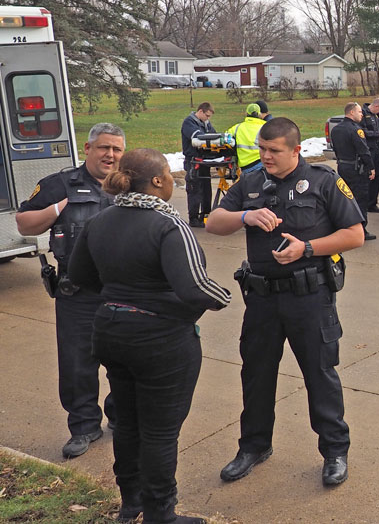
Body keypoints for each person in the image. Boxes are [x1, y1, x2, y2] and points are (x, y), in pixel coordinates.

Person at [69, 148, 231, 524]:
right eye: (170, 175)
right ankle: (161, 514)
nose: (175, 181)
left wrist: (120, 295)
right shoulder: (167, 224)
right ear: (158, 180)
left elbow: (80, 276)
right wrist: (223, 296)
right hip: (160, 340)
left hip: (111, 332)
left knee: (127, 423)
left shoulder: (101, 219)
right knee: (159, 432)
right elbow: (194, 288)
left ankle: (131, 504)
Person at [205, 117, 364, 488]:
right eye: (261, 149)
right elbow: (214, 221)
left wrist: (307, 248)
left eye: (273, 150)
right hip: (261, 299)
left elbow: (354, 234)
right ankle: (253, 447)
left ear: (295, 150)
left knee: (319, 375)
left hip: (309, 297)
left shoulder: (323, 181)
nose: (265, 156)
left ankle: (334, 451)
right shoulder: (251, 180)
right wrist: (246, 214)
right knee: (256, 374)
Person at [15, 123, 124, 459]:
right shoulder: (61, 184)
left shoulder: (130, 185)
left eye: (117, 149)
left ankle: (119, 415)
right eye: (104, 148)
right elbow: (24, 222)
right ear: (88, 149)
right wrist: (59, 207)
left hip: (121, 292)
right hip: (77, 295)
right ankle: (83, 426)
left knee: (125, 361)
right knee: (78, 364)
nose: (110, 155)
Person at [330, 102, 376, 241]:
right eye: (359, 112)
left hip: (343, 166)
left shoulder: (336, 129)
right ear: (351, 112)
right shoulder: (356, 129)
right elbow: (363, 150)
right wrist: (371, 167)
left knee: (345, 198)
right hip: (357, 169)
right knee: (360, 199)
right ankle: (361, 229)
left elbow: (335, 149)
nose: (362, 114)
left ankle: (344, 226)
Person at [181, 102, 217, 228]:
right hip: (193, 160)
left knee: (206, 189)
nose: (208, 119)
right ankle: (194, 218)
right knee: (194, 189)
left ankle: (205, 215)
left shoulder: (206, 124)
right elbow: (198, 137)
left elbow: (213, 135)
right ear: (200, 111)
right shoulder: (189, 123)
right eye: (207, 116)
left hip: (204, 161)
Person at [361, 98, 379, 214]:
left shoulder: (377, 115)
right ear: (376, 107)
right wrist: (378, 134)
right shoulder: (363, 114)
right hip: (368, 149)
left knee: (377, 176)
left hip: (377, 148)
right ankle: (365, 203)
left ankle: (373, 203)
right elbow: (362, 131)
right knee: (369, 177)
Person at [226, 103, 267, 174]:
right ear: (259, 114)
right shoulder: (265, 127)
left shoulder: (237, 128)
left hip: (245, 167)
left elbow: (225, 137)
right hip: (261, 163)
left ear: (246, 113)